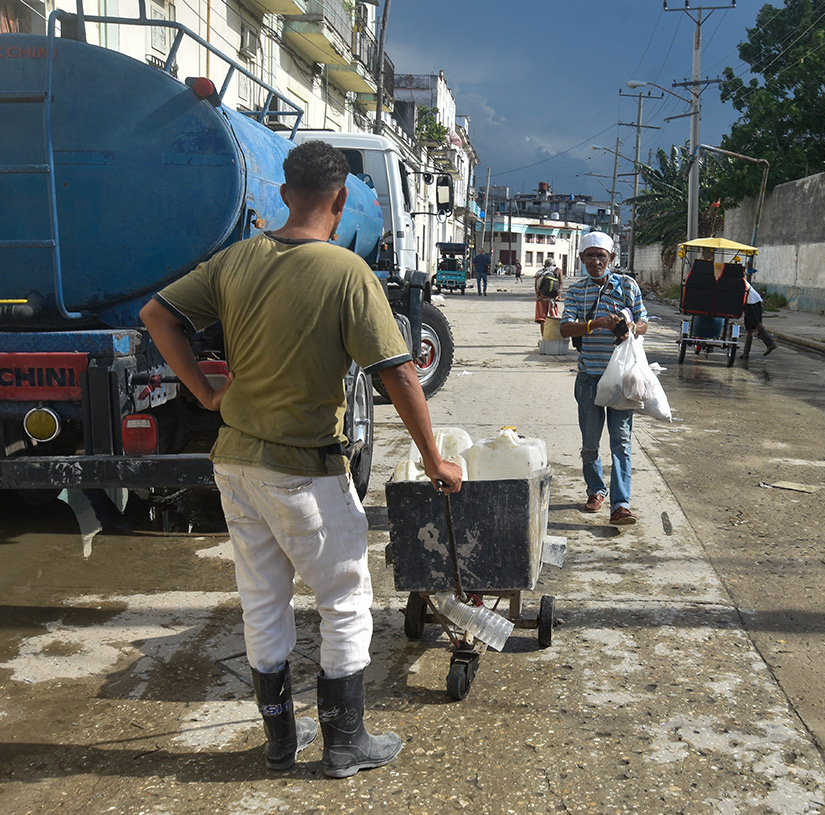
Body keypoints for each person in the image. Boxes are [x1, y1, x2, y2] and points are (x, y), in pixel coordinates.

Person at [139, 140, 463, 779]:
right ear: (340, 200)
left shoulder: (235, 261)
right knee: (345, 595)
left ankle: (280, 744)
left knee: (263, 598)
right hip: (303, 469)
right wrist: (435, 460)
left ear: (284, 195)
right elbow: (396, 375)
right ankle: (345, 745)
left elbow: (157, 314)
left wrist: (206, 392)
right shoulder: (346, 274)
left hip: (234, 462)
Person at [559, 232, 648, 526]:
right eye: (590, 256)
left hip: (621, 380)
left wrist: (633, 326)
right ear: (581, 258)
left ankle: (621, 504)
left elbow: (644, 321)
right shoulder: (576, 291)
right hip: (588, 379)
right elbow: (564, 329)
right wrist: (597, 323)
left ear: (611, 259)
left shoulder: (627, 286)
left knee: (621, 442)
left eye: (602, 256)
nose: (596, 262)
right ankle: (596, 490)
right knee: (590, 442)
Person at [741, 275, 777, 358]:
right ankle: (745, 353)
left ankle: (770, 343)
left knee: (756, 323)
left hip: (752, 301)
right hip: (749, 301)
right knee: (749, 328)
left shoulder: (739, 280)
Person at [534, 259, 562, 337]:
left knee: (542, 318)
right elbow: (561, 283)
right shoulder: (558, 270)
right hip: (553, 297)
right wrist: (558, 295)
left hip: (542, 297)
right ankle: (554, 337)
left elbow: (536, 285)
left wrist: (538, 296)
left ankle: (544, 338)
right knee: (554, 317)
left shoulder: (541, 272)